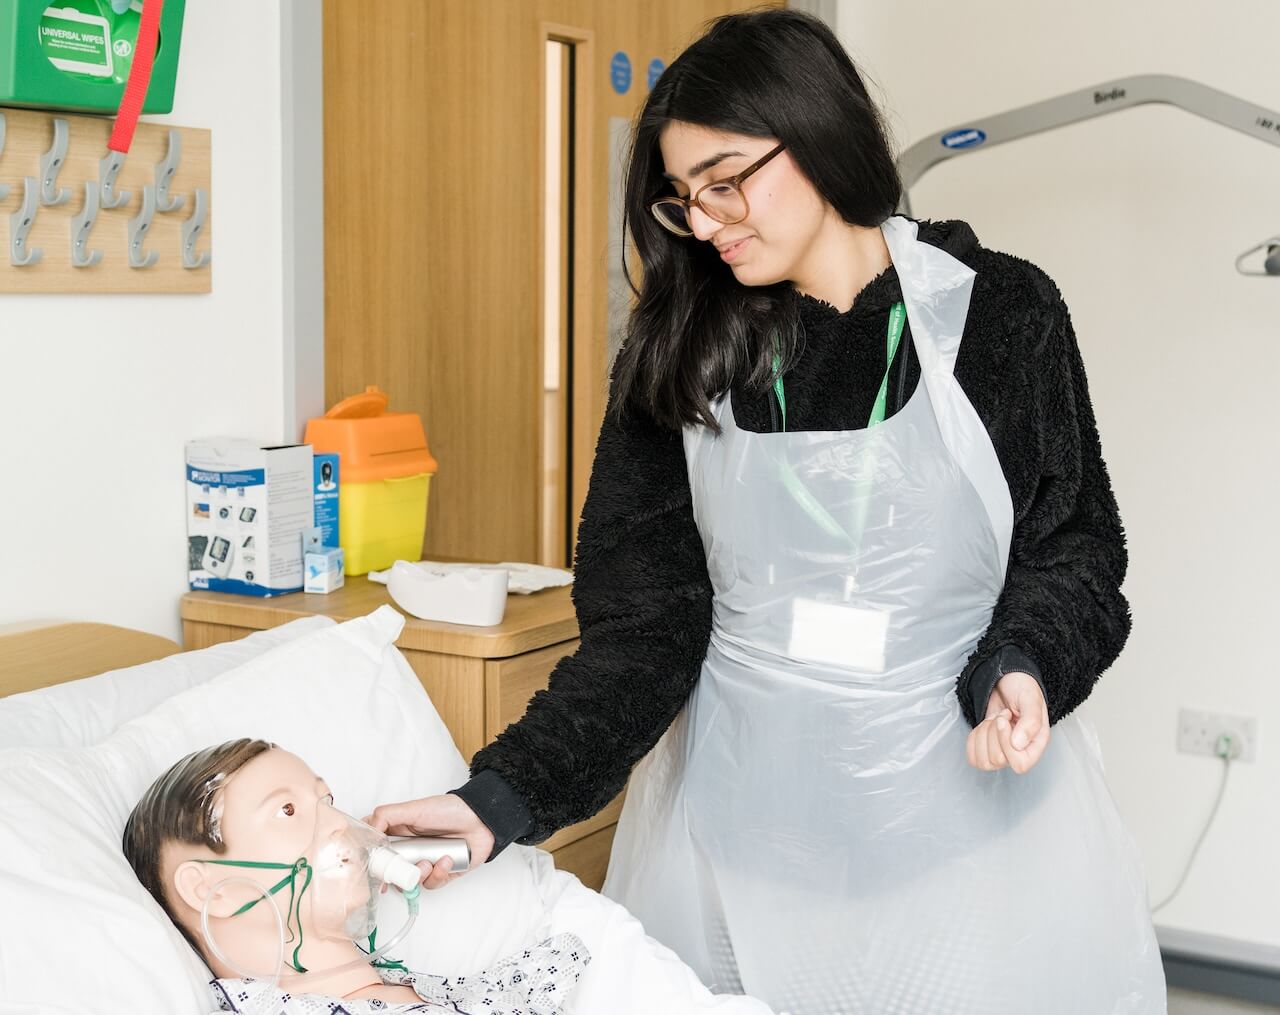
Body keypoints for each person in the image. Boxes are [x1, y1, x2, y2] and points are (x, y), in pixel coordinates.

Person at [367, 9, 1165, 1013]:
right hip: (737, 856)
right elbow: (642, 632)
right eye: (682, 199)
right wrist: (497, 799)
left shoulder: (999, 314)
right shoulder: (678, 353)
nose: (703, 223)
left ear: (819, 130)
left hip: (965, 852)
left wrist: (1025, 662)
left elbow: (1074, 553)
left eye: (726, 179)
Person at [122, 739, 590, 1014]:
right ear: (209, 891)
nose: (340, 823)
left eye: (325, 801)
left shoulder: (401, 989)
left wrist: (495, 811)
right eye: (287, 810)